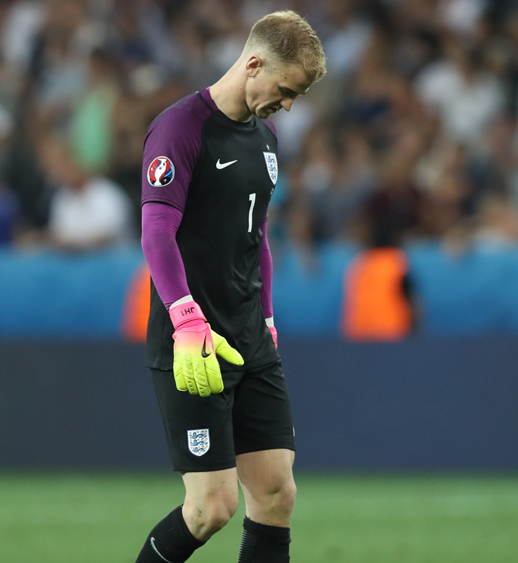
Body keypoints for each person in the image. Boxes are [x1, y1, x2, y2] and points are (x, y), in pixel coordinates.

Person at [135, 11, 325, 563]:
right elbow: (156, 232)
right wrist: (185, 318)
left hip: (250, 337)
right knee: (210, 509)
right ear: (255, 64)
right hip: (195, 339)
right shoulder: (179, 128)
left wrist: (266, 319)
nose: (288, 105)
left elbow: (256, 235)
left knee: (276, 493)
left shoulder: (265, 139)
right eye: (286, 90)